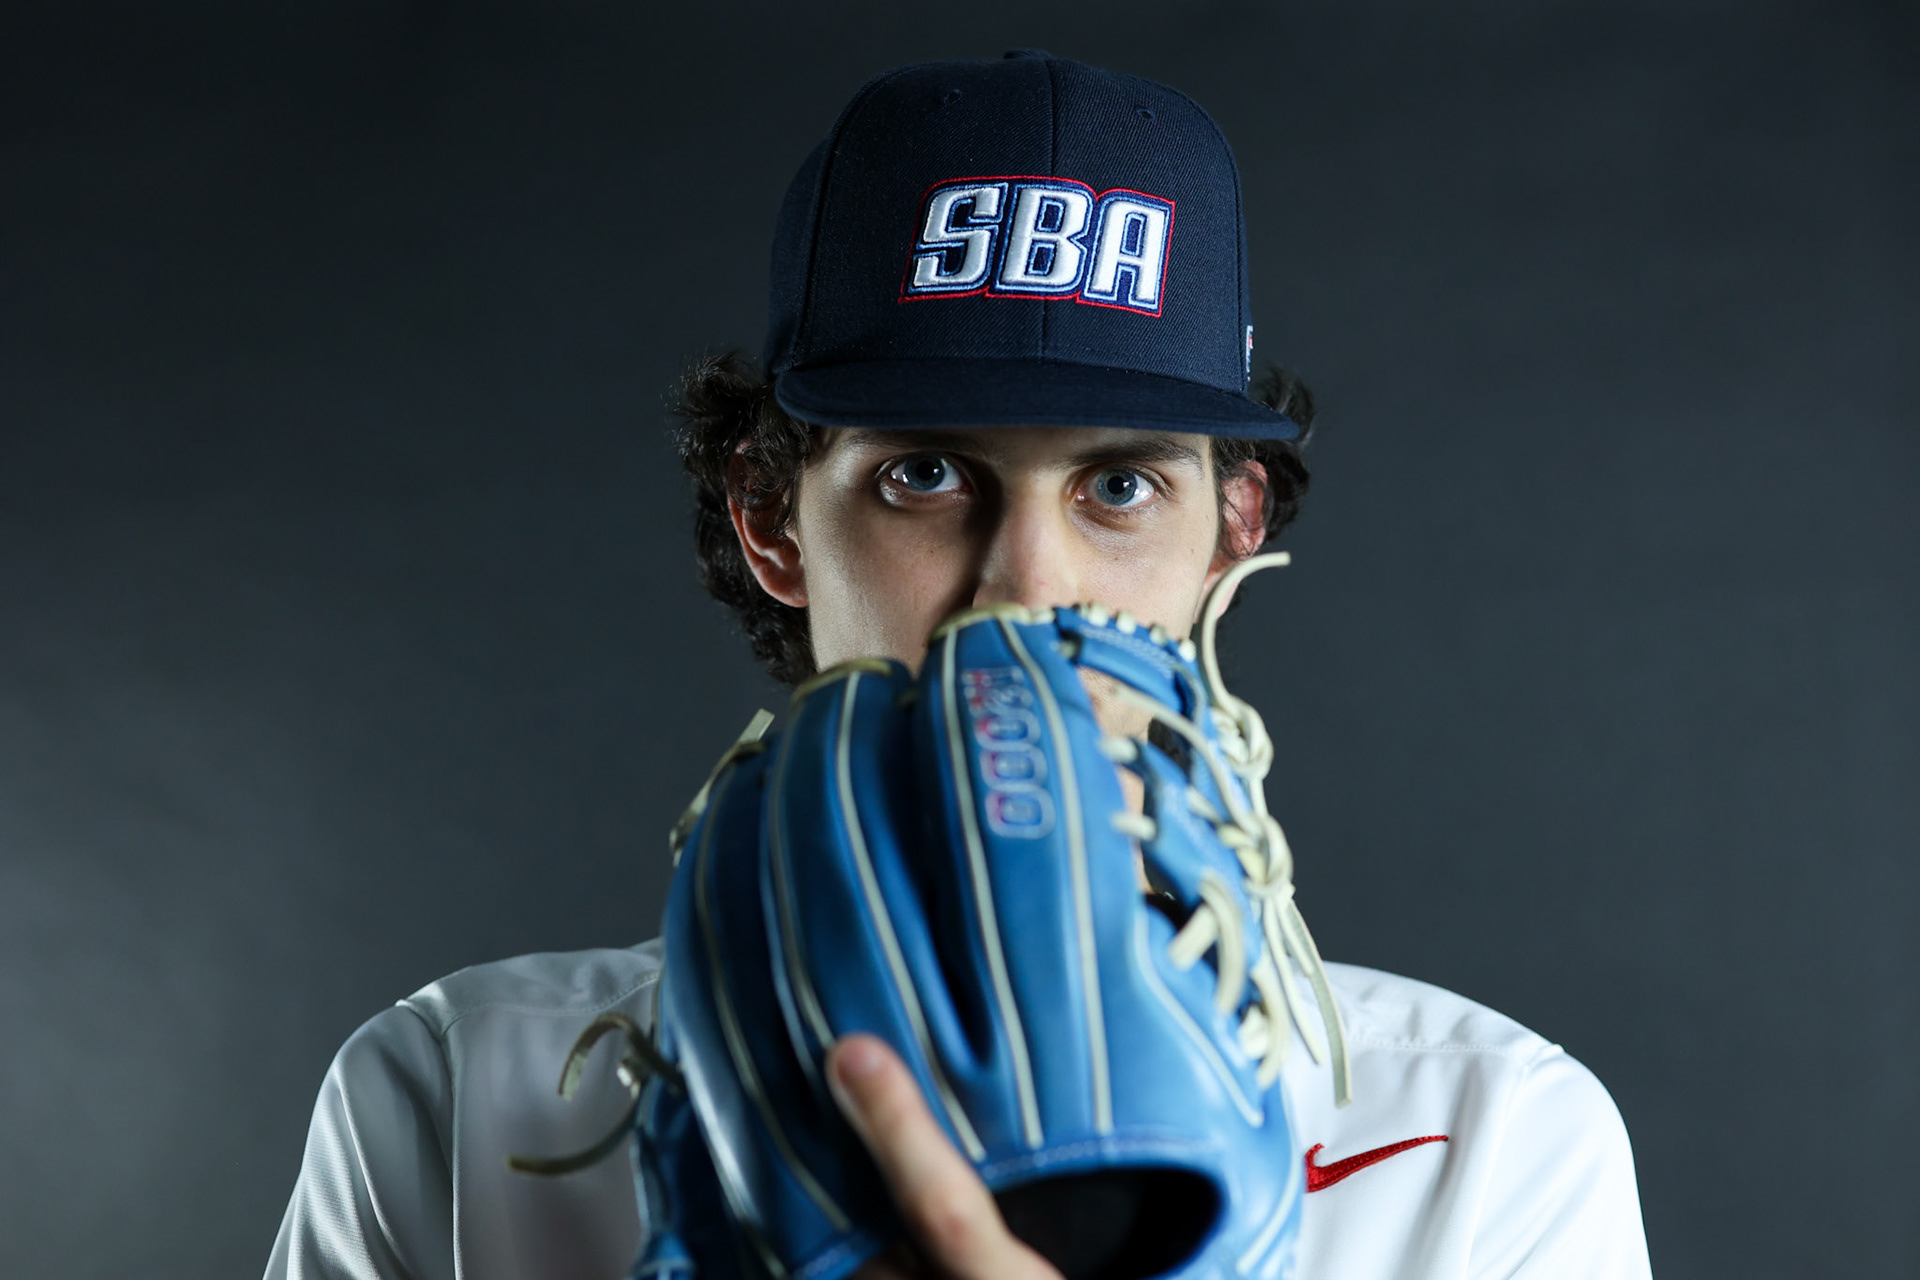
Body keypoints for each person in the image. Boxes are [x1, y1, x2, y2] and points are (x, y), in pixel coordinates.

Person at [267, 51, 1652, 1280]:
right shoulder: (457, 1100)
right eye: (924, 474)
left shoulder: (1483, 1136)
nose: (1024, 586)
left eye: (1117, 487)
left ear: (1232, 534)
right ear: (771, 521)